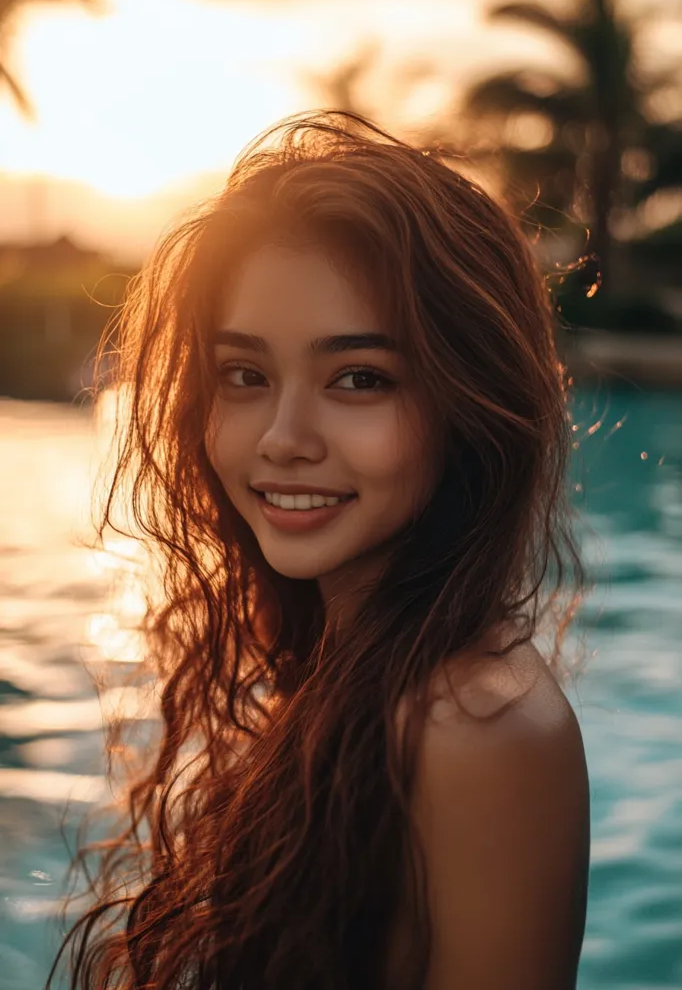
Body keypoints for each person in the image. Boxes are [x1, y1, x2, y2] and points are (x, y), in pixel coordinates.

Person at [48, 110, 590, 990]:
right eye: (246, 375)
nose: (283, 438)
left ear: (470, 401)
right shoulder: (356, 665)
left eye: (359, 378)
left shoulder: (479, 733)